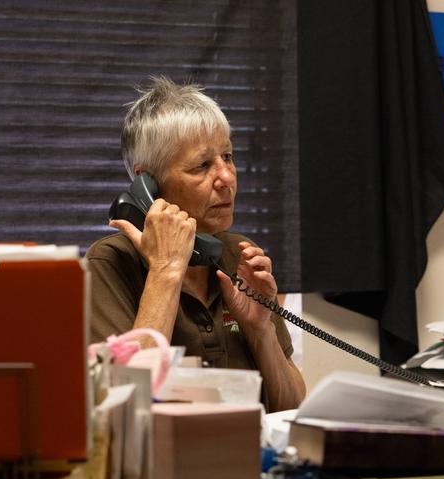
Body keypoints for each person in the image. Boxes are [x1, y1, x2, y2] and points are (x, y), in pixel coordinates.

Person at [86, 77, 306, 412]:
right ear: (149, 184)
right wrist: (165, 271)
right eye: (203, 165)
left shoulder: (239, 254)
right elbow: (120, 404)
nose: (227, 177)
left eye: (228, 156)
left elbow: (289, 408)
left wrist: (261, 331)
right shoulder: (110, 263)